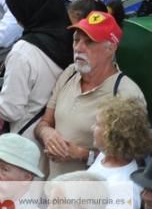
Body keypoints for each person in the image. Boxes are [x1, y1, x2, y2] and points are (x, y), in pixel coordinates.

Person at [34, 10, 146, 179]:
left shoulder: (126, 93)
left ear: (111, 47)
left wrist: (81, 154)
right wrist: (46, 133)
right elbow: (44, 123)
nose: (78, 48)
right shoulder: (70, 73)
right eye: (76, 40)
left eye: (89, 42)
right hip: (51, 191)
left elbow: (132, 161)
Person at [0, 0, 72, 145]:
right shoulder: (76, 40)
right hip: (65, 137)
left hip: (29, 142)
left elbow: (10, 110)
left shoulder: (23, 52)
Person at [90, 96, 152, 209]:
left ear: (113, 134)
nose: (92, 128)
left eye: (98, 124)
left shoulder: (125, 187)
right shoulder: (104, 156)